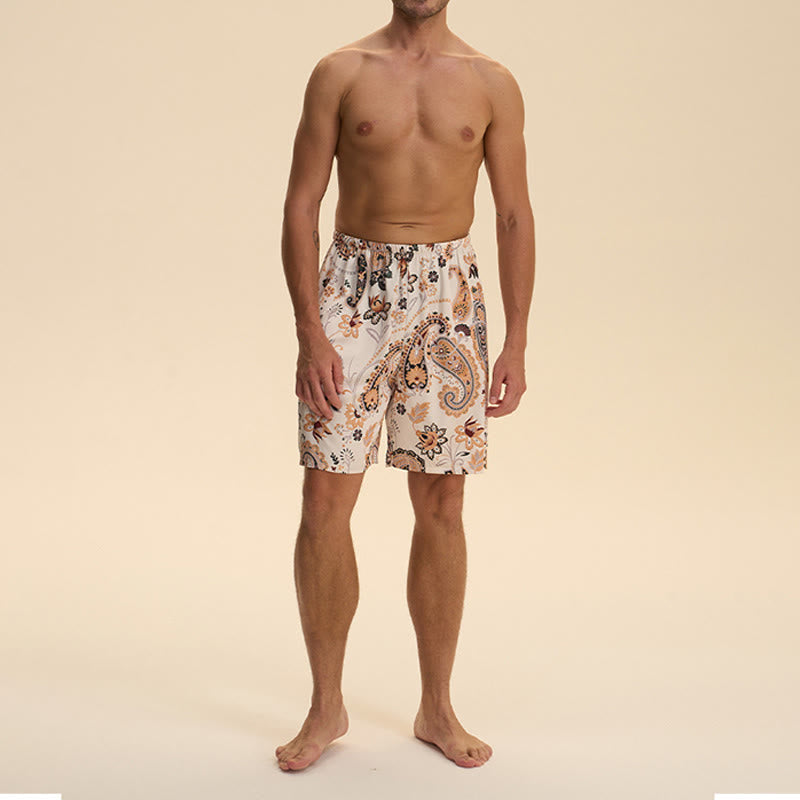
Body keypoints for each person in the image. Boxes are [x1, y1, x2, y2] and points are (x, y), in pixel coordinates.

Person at [277, 0, 535, 772]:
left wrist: (516, 340)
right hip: (352, 293)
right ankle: (326, 705)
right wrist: (310, 330)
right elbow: (301, 203)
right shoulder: (340, 73)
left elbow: (513, 215)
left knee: (444, 504)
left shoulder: (491, 82)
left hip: (449, 296)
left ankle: (436, 707)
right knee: (324, 498)